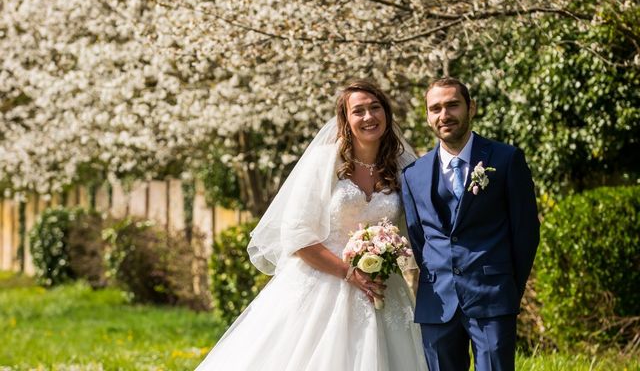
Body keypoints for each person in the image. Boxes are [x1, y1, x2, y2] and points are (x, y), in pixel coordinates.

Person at [196, 80, 429, 371]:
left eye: (375, 108)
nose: (369, 117)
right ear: (345, 119)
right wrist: (349, 272)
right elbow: (298, 237)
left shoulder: (401, 166)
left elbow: (424, 224)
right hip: (324, 281)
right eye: (358, 111)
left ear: (386, 114)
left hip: (382, 287)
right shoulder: (325, 162)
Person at [401, 77, 540, 371]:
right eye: (435, 108)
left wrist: (509, 286)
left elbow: (525, 232)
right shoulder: (414, 173)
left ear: (471, 108)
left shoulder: (505, 159)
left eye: (453, 105)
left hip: (492, 295)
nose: (444, 115)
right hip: (436, 302)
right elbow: (417, 238)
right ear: (427, 116)